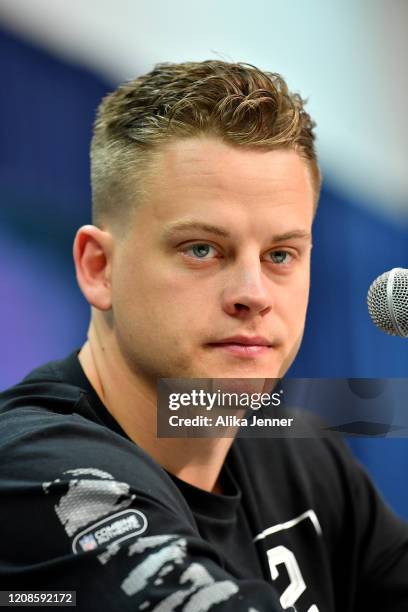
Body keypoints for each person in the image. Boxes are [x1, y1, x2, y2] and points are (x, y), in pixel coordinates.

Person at [0, 60, 407, 612]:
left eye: (280, 255)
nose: (253, 293)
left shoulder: (299, 451)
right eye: (202, 249)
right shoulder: (34, 469)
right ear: (98, 267)